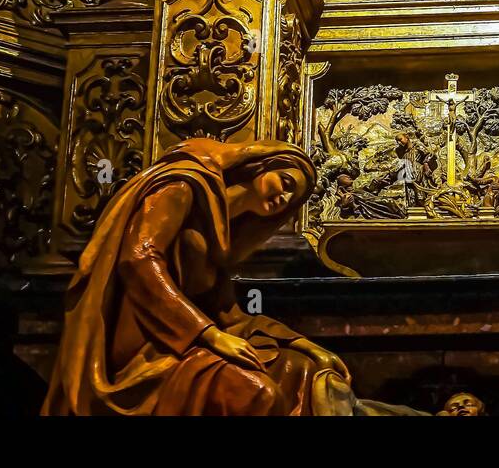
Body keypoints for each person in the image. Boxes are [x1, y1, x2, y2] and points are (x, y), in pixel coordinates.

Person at [45, 136, 366, 415]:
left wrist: (303, 344)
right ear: (261, 167)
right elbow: (139, 260)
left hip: (187, 338)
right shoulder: (185, 184)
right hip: (146, 342)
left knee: (300, 371)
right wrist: (209, 335)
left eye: (291, 200)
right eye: (285, 183)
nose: (283, 199)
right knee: (257, 393)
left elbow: (228, 314)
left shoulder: (223, 233)